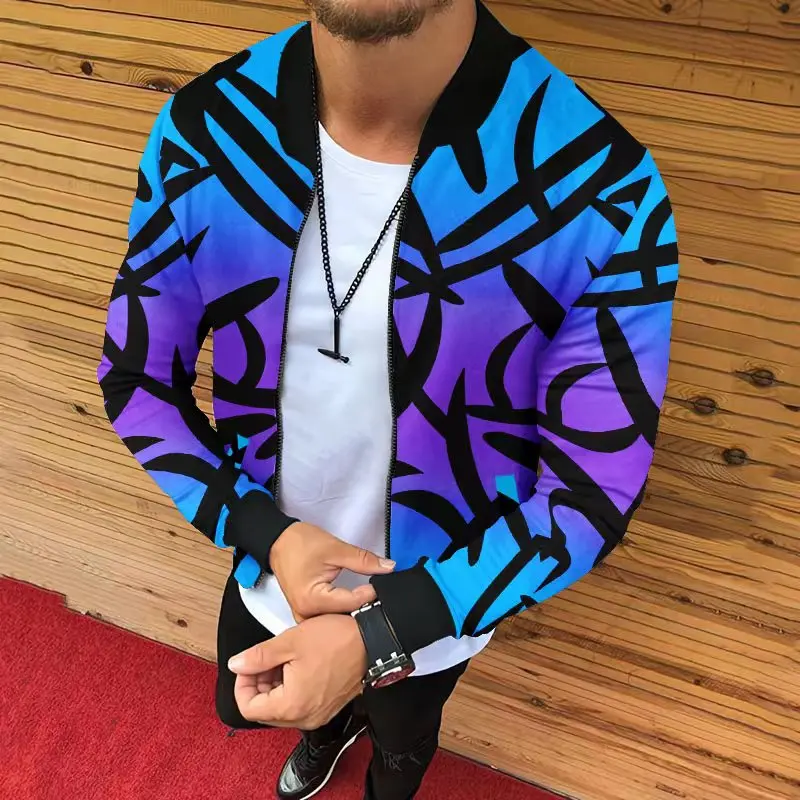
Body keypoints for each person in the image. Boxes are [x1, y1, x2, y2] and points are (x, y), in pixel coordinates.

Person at [97, 0, 678, 797]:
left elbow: (591, 489)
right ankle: (325, 735)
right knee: (275, 707)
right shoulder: (205, 130)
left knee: (404, 746)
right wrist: (264, 532)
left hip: (441, 602)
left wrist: (382, 635)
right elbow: (135, 382)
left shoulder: (601, 187)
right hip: (269, 571)